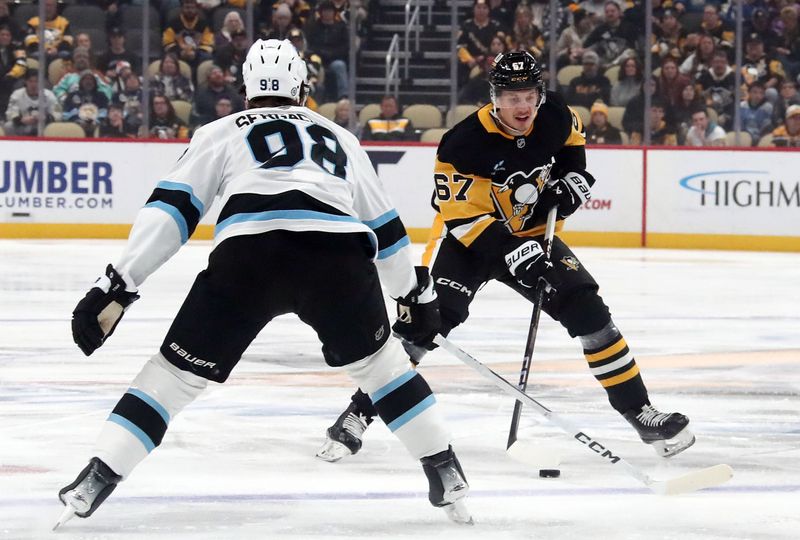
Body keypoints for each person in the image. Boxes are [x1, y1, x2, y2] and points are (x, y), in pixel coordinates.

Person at [55, 38, 471, 528]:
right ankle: (444, 468)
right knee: (384, 371)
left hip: (250, 255)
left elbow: (171, 212)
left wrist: (120, 283)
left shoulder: (220, 131)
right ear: (302, 86)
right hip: (335, 255)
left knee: (171, 378)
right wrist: (412, 294)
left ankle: (98, 476)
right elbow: (387, 228)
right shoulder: (339, 136)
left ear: (247, 87)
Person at [317, 51, 694, 464]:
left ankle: (639, 412)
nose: (523, 106)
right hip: (469, 243)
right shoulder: (463, 143)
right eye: (512, 96)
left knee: (590, 313)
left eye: (529, 94)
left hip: (532, 234)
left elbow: (573, 149)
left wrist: (573, 181)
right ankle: (357, 413)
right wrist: (514, 251)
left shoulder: (554, 115)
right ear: (494, 96)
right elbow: (462, 219)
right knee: (427, 326)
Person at [3, 69, 61, 135]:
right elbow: (10, 113)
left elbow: (58, 114)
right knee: (8, 126)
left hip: (43, 127)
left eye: (36, 81)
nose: (33, 85)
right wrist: (21, 120)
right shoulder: (17, 94)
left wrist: (46, 118)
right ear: (25, 81)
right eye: (30, 81)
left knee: (56, 127)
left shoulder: (49, 95)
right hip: (23, 126)